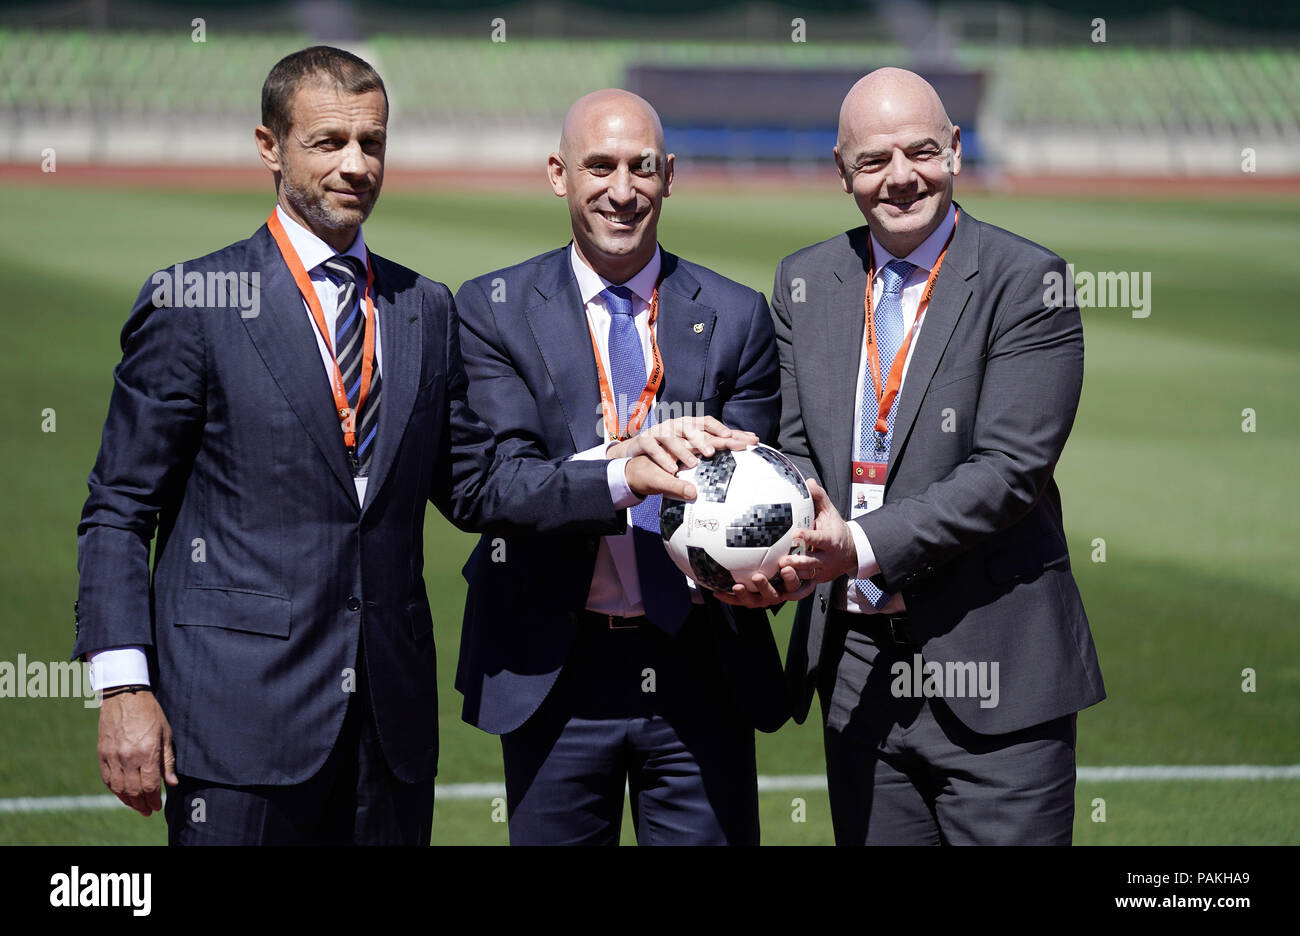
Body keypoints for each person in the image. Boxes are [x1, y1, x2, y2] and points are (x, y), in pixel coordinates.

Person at [74, 47, 692, 846]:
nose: (356, 164)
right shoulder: (194, 302)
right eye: (328, 142)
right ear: (270, 147)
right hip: (236, 725)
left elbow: (478, 487)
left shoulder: (424, 308)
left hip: (388, 728)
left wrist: (619, 473)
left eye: (373, 143)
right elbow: (119, 510)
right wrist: (123, 688)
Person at [765, 68, 1105, 844]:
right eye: (874, 160)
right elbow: (793, 454)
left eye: (921, 151)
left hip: (996, 673)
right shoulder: (806, 281)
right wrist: (773, 553)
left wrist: (853, 544)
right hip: (856, 674)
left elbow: (1009, 471)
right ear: (842, 172)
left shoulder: (1029, 282)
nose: (901, 178)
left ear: (954, 150)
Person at [454, 89, 800, 845]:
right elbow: (493, 484)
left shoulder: (737, 315)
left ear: (669, 175)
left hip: (699, 666)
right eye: (599, 166)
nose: (622, 190)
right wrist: (620, 469)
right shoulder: (492, 309)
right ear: (558, 173)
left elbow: (762, 488)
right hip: (555, 665)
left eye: (642, 168)